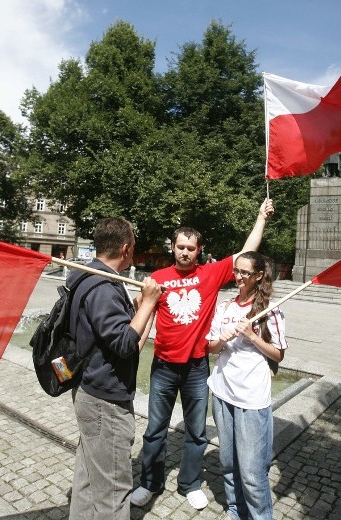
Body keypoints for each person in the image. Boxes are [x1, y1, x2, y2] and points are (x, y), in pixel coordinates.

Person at [132, 198, 274, 510]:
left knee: (196, 433)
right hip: (163, 366)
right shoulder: (157, 280)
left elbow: (246, 253)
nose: (184, 252)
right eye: (180, 247)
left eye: (191, 248)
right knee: (155, 430)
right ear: (173, 247)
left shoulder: (210, 274)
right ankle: (149, 483)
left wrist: (260, 218)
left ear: (199, 250)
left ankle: (190, 483)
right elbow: (143, 318)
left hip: (197, 367)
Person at [68, 217, 162, 520]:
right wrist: (147, 304)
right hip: (104, 403)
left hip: (90, 389)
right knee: (112, 491)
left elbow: (128, 346)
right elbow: (123, 344)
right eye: (133, 245)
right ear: (126, 248)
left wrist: (143, 313)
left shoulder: (84, 275)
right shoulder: (103, 287)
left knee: (88, 479)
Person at [207, 252, 287, 520]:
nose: (238, 277)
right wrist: (221, 338)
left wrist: (252, 336)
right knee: (228, 463)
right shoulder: (226, 306)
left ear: (259, 276)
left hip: (251, 399)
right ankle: (235, 510)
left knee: (253, 473)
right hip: (221, 392)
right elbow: (211, 347)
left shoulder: (270, 310)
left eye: (245, 273)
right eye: (236, 271)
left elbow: (277, 355)